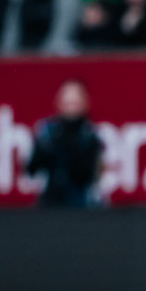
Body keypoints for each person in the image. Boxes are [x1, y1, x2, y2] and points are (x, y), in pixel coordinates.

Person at [26, 79, 105, 208]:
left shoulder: (90, 137)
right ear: (59, 103)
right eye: (68, 103)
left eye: (75, 103)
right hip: (50, 204)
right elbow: (32, 169)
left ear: (84, 103)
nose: (71, 109)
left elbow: (89, 175)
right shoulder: (48, 133)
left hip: (80, 205)